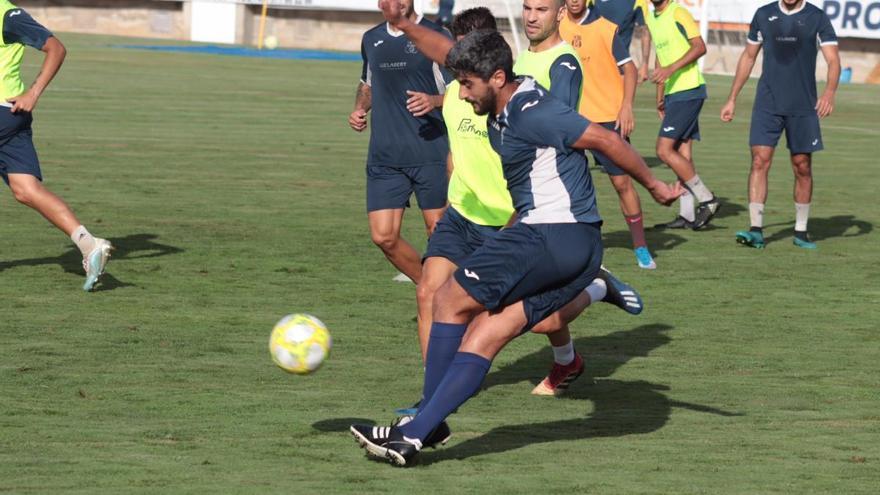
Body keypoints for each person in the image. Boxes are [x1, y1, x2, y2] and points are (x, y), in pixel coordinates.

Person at [351, 7, 681, 466]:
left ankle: (424, 419)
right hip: (570, 242)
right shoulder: (502, 91)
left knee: (448, 299)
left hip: (551, 233)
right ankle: (414, 437)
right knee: (488, 330)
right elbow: (449, 52)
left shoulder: (531, 111)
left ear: (498, 77)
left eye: (467, 86)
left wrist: (658, 186)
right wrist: (406, 25)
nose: (461, 95)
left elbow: (605, 141)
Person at [402, 7, 643, 409]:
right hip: (464, 210)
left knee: (536, 322)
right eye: (527, 7)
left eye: (540, 8)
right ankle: (430, 403)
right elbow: (459, 142)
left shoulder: (556, 67)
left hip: (517, 217)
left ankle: (594, 290)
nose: (531, 16)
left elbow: (565, 138)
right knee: (433, 293)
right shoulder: (476, 78)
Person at [0, 2, 111, 291]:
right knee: (26, 190)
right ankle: (89, 244)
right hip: (12, 117)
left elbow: (56, 48)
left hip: (3, 111)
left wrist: (33, 92)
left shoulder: (8, 16)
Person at [720, 0, 839, 249]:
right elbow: (748, 56)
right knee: (759, 160)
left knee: (802, 166)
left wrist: (829, 92)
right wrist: (732, 98)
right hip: (767, 103)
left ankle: (801, 232)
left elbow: (833, 60)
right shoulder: (764, 15)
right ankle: (755, 230)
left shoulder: (817, 18)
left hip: (803, 105)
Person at [350, 0, 450, 284]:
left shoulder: (436, 35)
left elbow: (463, 91)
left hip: (430, 151)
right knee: (383, 236)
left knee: (439, 233)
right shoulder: (371, 38)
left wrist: (434, 100)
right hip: (384, 156)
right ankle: (433, 288)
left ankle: (451, 297)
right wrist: (360, 108)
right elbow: (367, 83)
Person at [560, 0, 656, 269]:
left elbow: (630, 68)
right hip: (569, 118)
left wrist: (626, 107)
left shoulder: (605, 28)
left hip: (606, 117)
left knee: (622, 183)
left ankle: (640, 246)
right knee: (564, 184)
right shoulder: (556, 24)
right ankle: (574, 244)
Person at [644, 0, 719, 230]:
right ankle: (687, 215)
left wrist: (670, 70)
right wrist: (660, 94)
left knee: (663, 150)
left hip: (689, 90)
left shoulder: (678, 12)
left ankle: (707, 199)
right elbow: (660, 55)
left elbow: (699, 46)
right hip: (673, 93)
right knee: (681, 153)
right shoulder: (652, 16)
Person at [513, 0, 583, 111]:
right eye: (527, 8)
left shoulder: (565, 62)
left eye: (541, 10)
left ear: (561, 13)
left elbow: (559, 123)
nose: (531, 18)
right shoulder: (523, 56)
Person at [583, 0, 653, 82]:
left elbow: (644, 31)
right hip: (592, 67)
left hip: (620, 69)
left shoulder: (639, 2)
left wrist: (644, 64)